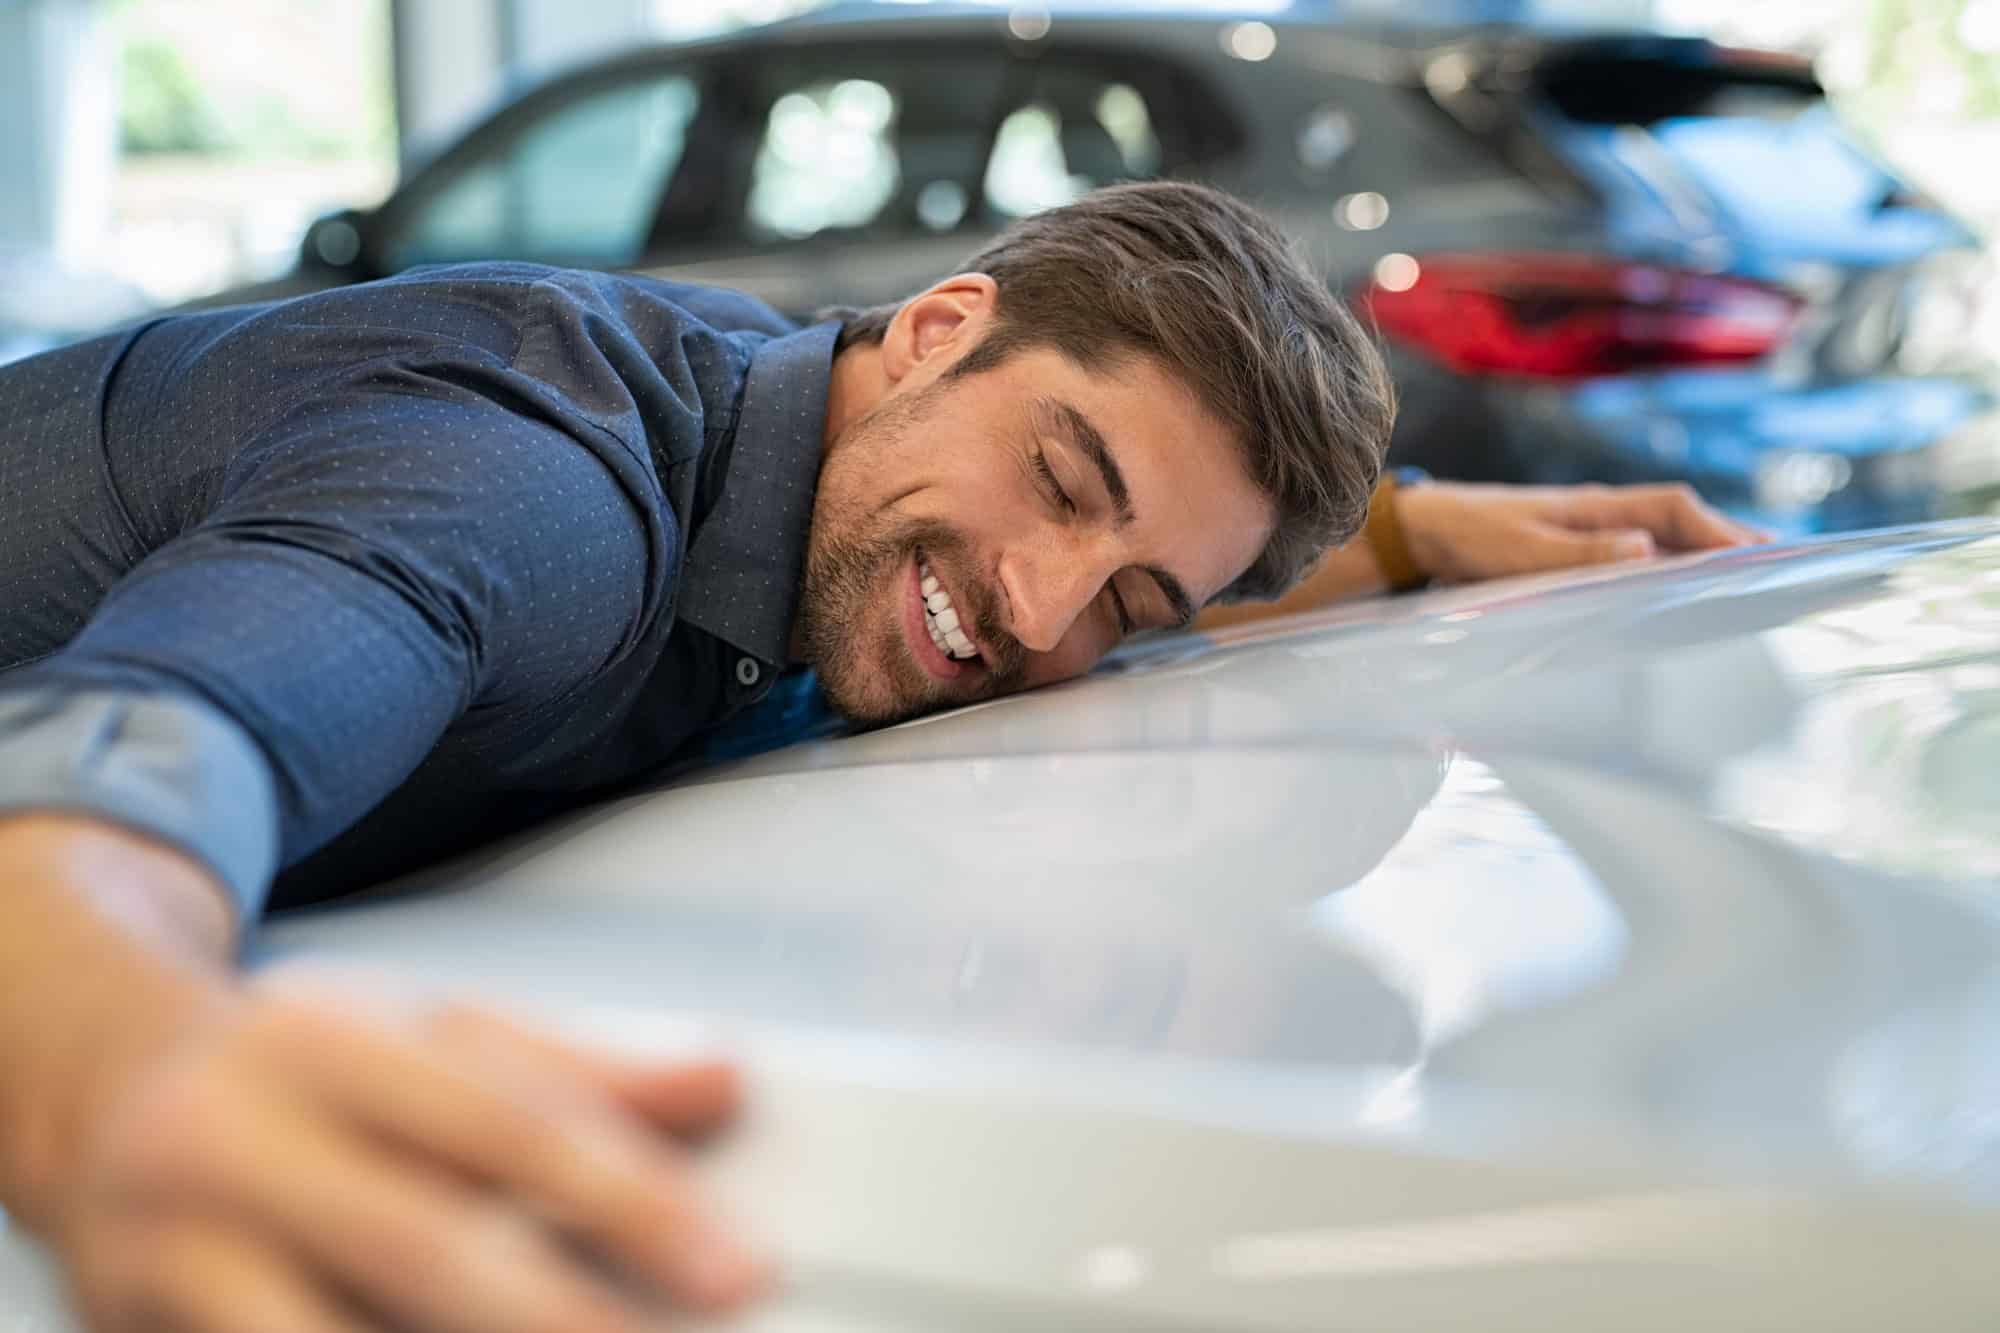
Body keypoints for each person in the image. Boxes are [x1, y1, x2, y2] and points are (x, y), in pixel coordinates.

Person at [0, 181, 1759, 1332]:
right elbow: (123, 762)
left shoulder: (832, 453)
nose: (1038, 604)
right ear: (936, 328)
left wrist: (1418, 534)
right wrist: (122, 1074)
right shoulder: (538, 489)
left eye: (1132, 592)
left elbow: (1078, 577)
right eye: (1064, 482)